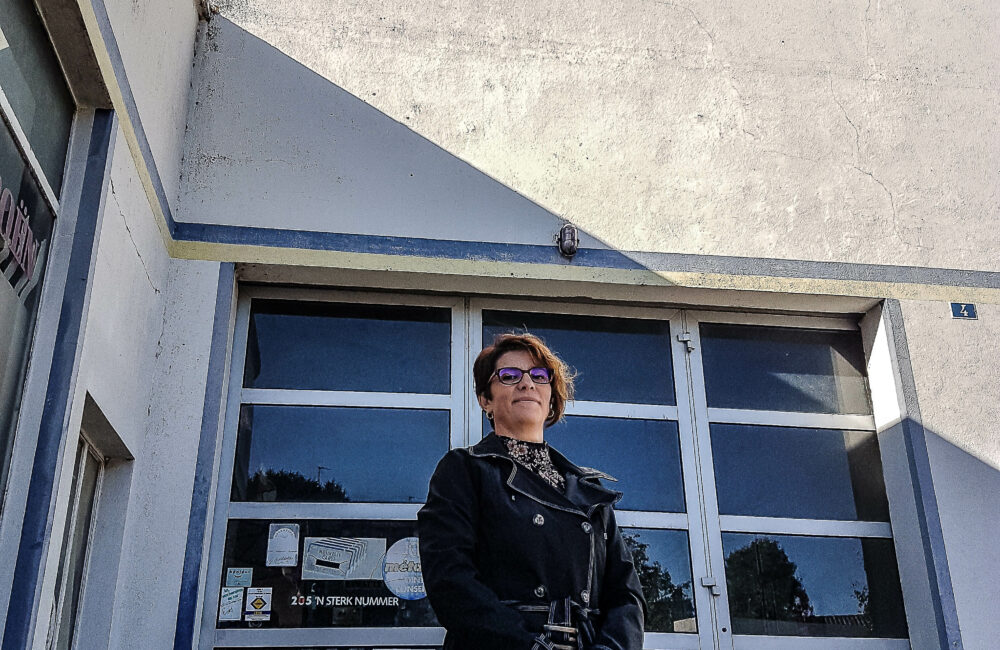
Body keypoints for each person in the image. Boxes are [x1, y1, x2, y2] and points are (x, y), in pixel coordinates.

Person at [417, 333, 646, 650]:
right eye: (509, 375)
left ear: (551, 398)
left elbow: (626, 595)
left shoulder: (589, 490)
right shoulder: (464, 470)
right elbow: (450, 579)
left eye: (539, 375)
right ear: (485, 400)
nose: (527, 383)